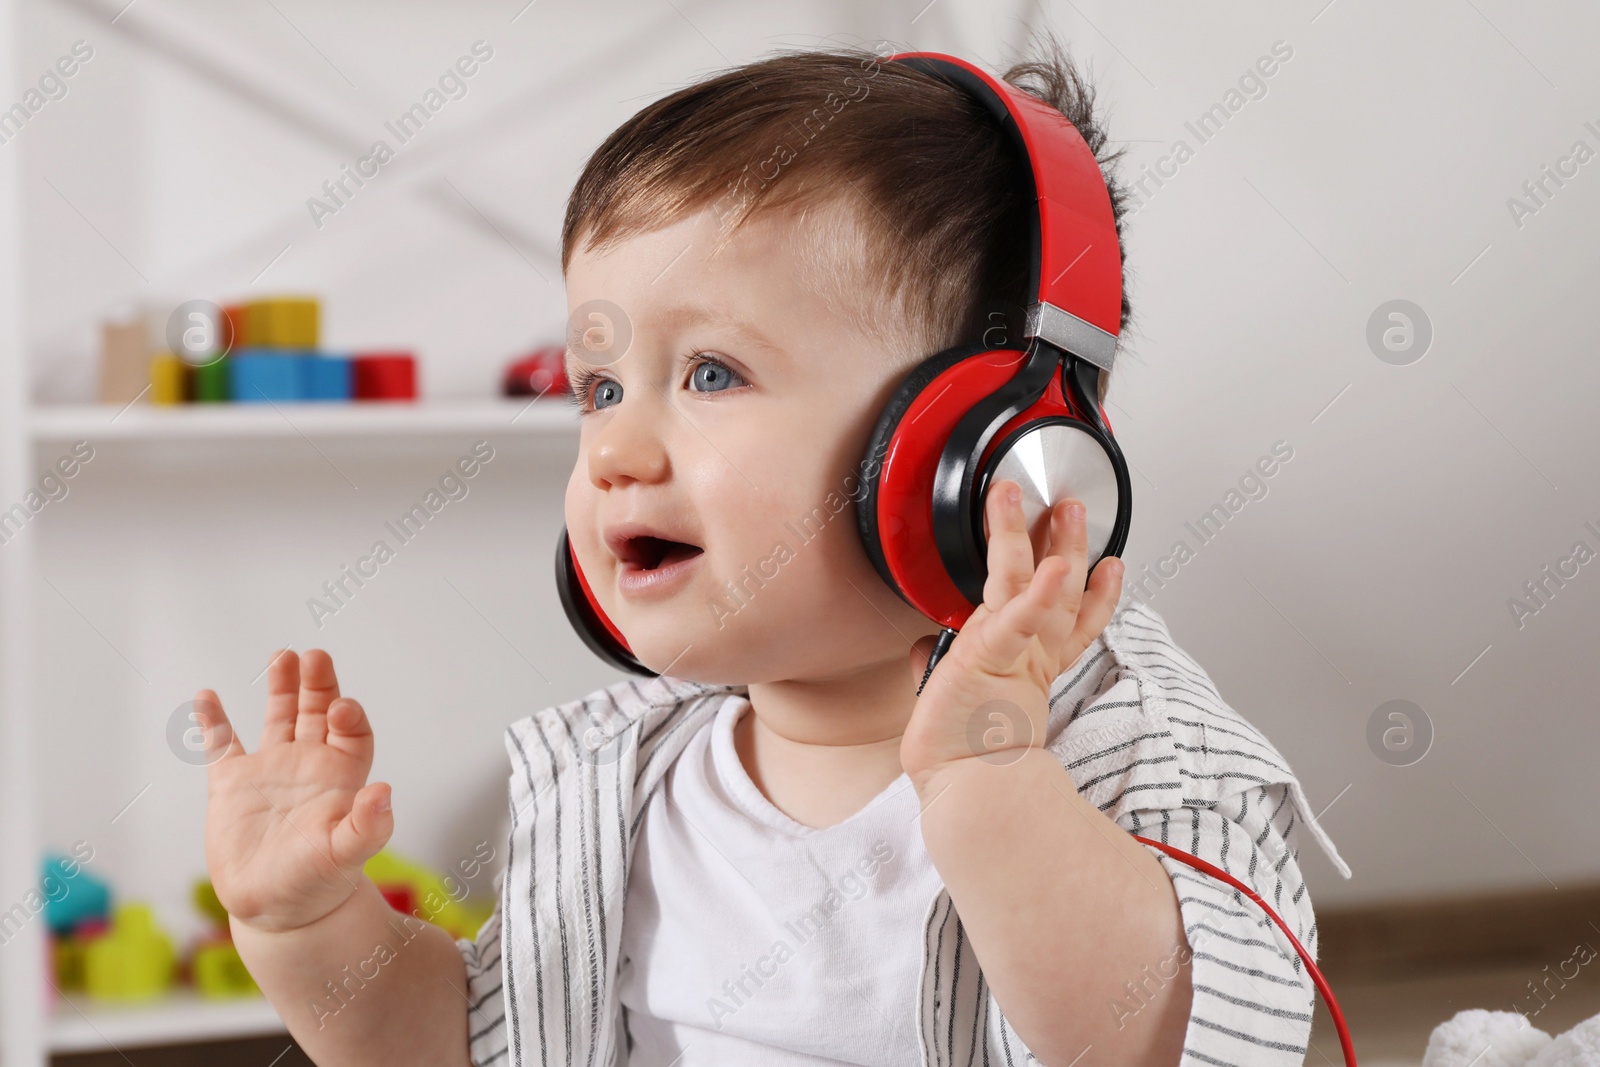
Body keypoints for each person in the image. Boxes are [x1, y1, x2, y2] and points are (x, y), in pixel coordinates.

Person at [196, 30, 1349, 1067]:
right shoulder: (618, 786)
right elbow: (471, 1047)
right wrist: (307, 925)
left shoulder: (1132, 752)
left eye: (710, 374)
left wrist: (992, 786)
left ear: (980, 459)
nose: (612, 451)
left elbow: (1179, 1039)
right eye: (598, 386)